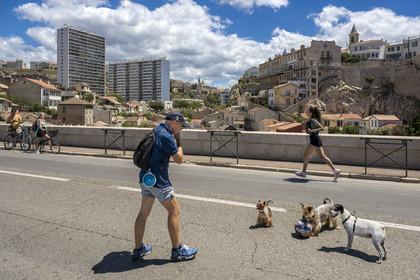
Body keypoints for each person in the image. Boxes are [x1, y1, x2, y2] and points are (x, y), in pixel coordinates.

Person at [133, 111, 197, 262]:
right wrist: (179, 140)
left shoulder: (156, 130)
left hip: (145, 178)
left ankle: (138, 249)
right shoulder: (167, 136)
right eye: (180, 126)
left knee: (143, 212)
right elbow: (179, 159)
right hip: (158, 180)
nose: (180, 130)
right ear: (174, 123)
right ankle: (177, 250)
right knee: (174, 209)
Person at [295, 106, 341, 181]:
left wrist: (313, 130)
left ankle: (303, 172)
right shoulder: (309, 121)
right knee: (323, 157)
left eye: (307, 111)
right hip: (315, 140)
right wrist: (303, 126)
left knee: (305, 155)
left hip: (314, 140)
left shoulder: (313, 120)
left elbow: (322, 128)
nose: (306, 112)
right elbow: (308, 132)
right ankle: (335, 170)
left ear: (311, 113)